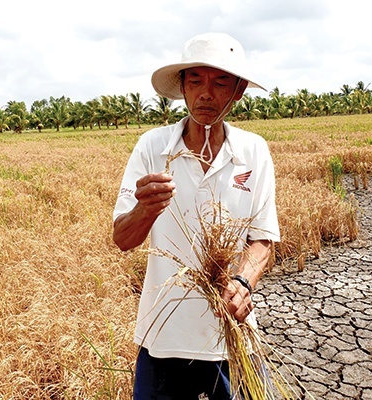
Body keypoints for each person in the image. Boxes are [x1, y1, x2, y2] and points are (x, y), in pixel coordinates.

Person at [112, 32, 280, 399]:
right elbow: (123, 238)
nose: (206, 93)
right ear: (183, 88)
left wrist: (243, 282)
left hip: (232, 334)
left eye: (220, 82)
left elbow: (262, 239)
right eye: (196, 80)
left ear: (237, 91)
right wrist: (145, 208)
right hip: (164, 337)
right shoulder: (154, 148)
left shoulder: (253, 152)